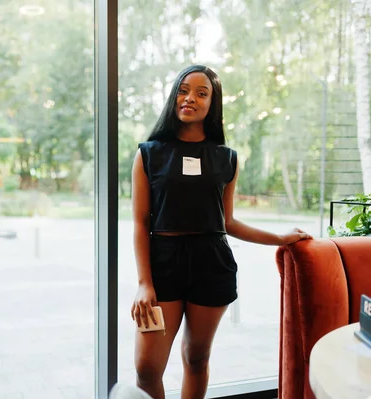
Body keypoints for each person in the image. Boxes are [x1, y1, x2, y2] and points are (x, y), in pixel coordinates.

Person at [130, 64, 311, 399]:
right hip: (162, 266)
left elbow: (227, 222)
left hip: (211, 264)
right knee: (146, 370)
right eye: (184, 90)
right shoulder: (148, 154)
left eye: (202, 93)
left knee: (196, 357)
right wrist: (144, 282)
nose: (190, 99)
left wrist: (281, 238)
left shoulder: (227, 158)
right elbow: (141, 222)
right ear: (173, 97)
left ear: (213, 104)